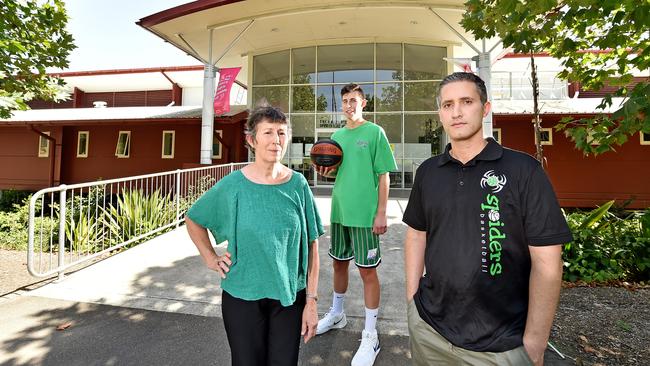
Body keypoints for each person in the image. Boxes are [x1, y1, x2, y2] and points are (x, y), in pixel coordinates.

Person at [403, 72, 573, 366]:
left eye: (466, 101)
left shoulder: (524, 171)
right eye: (447, 105)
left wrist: (535, 340)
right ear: (440, 114)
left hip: (501, 344)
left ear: (485, 108)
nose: (456, 112)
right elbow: (417, 234)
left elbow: (548, 262)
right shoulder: (428, 172)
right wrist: (412, 302)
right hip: (429, 330)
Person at [185, 106, 324, 366]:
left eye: (281, 133)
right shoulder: (234, 184)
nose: (276, 140)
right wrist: (210, 257)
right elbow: (194, 219)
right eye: (268, 132)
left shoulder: (298, 185)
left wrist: (312, 301)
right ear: (252, 140)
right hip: (242, 296)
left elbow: (312, 245)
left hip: (289, 297)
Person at [315, 83, 397, 366]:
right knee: (338, 263)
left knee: (367, 272)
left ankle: (371, 334)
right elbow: (337, 173)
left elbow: (383, 176)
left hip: (365, 215)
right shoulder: (336, 136)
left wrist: (381, 213)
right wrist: (325, 170)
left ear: (364, 103)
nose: (349, 105)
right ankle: (337, 313)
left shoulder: (375, 132)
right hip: (339, 212)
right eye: (345, 101)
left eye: (354, 100)